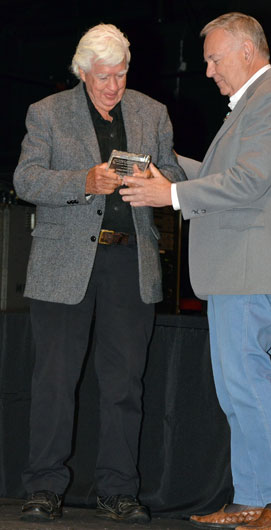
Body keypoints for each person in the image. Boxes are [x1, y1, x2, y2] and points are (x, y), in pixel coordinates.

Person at [120, 12, 271, 530]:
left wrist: (171, 194)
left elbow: (248, 183)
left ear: (247, 50)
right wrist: (168, 168)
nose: (207, 71)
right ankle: (251, 499)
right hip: (235, 268)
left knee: (246, 382)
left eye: (214, 59)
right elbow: (225, 175)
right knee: (236, 386)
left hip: (250, 266)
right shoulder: (253, 105)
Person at [13, 23, 185, 524]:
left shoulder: (152, 112)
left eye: (122, 73)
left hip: (130, 262)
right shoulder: (46, 112)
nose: (115, 85)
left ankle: (119, 490)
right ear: (82, 71)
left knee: (124, 385)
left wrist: (156, 178)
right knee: (54, 381)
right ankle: (44, 487)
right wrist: (82, 181)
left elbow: (174, 174)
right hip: (62, 265)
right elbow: (26, 178)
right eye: (105, 76)